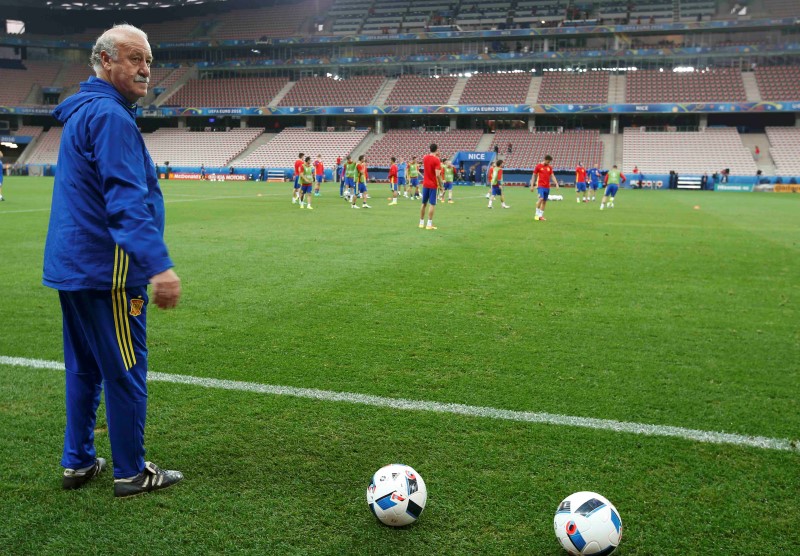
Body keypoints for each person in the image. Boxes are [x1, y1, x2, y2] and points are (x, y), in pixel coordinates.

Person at [43, 23, 182, 499]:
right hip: (109, 272)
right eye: (135, 58)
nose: (146, 69)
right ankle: (130, 471)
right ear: (106, 61)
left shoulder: (86, 111)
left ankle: (79, 461)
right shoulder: (111, 117)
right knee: (125, 371)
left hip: (74, 265)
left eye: (149, 60)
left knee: (84, 367)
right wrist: (158, 265)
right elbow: (125, 202)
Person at [419, 143, 442, 230]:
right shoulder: (436, 160)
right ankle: (429, 224)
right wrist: (441, 185)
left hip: (425, 184)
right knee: (432, 204)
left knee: (423, 203)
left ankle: (421, 223)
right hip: (433, 185)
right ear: (437, 149)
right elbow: (437, 175)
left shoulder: (425, 158)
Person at [531, 154, 559, 221]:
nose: (548, 163)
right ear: (545, 160)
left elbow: (552, 176)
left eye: (549, 162)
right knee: (541, 198)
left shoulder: (549, 167)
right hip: (540, 186)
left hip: (547, 186)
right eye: (548, 162)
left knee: (544, 202)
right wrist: (532, 185)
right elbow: (534, 176)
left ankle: (540, 216)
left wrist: (556, 184)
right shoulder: (538, 166)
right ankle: (536, 214)